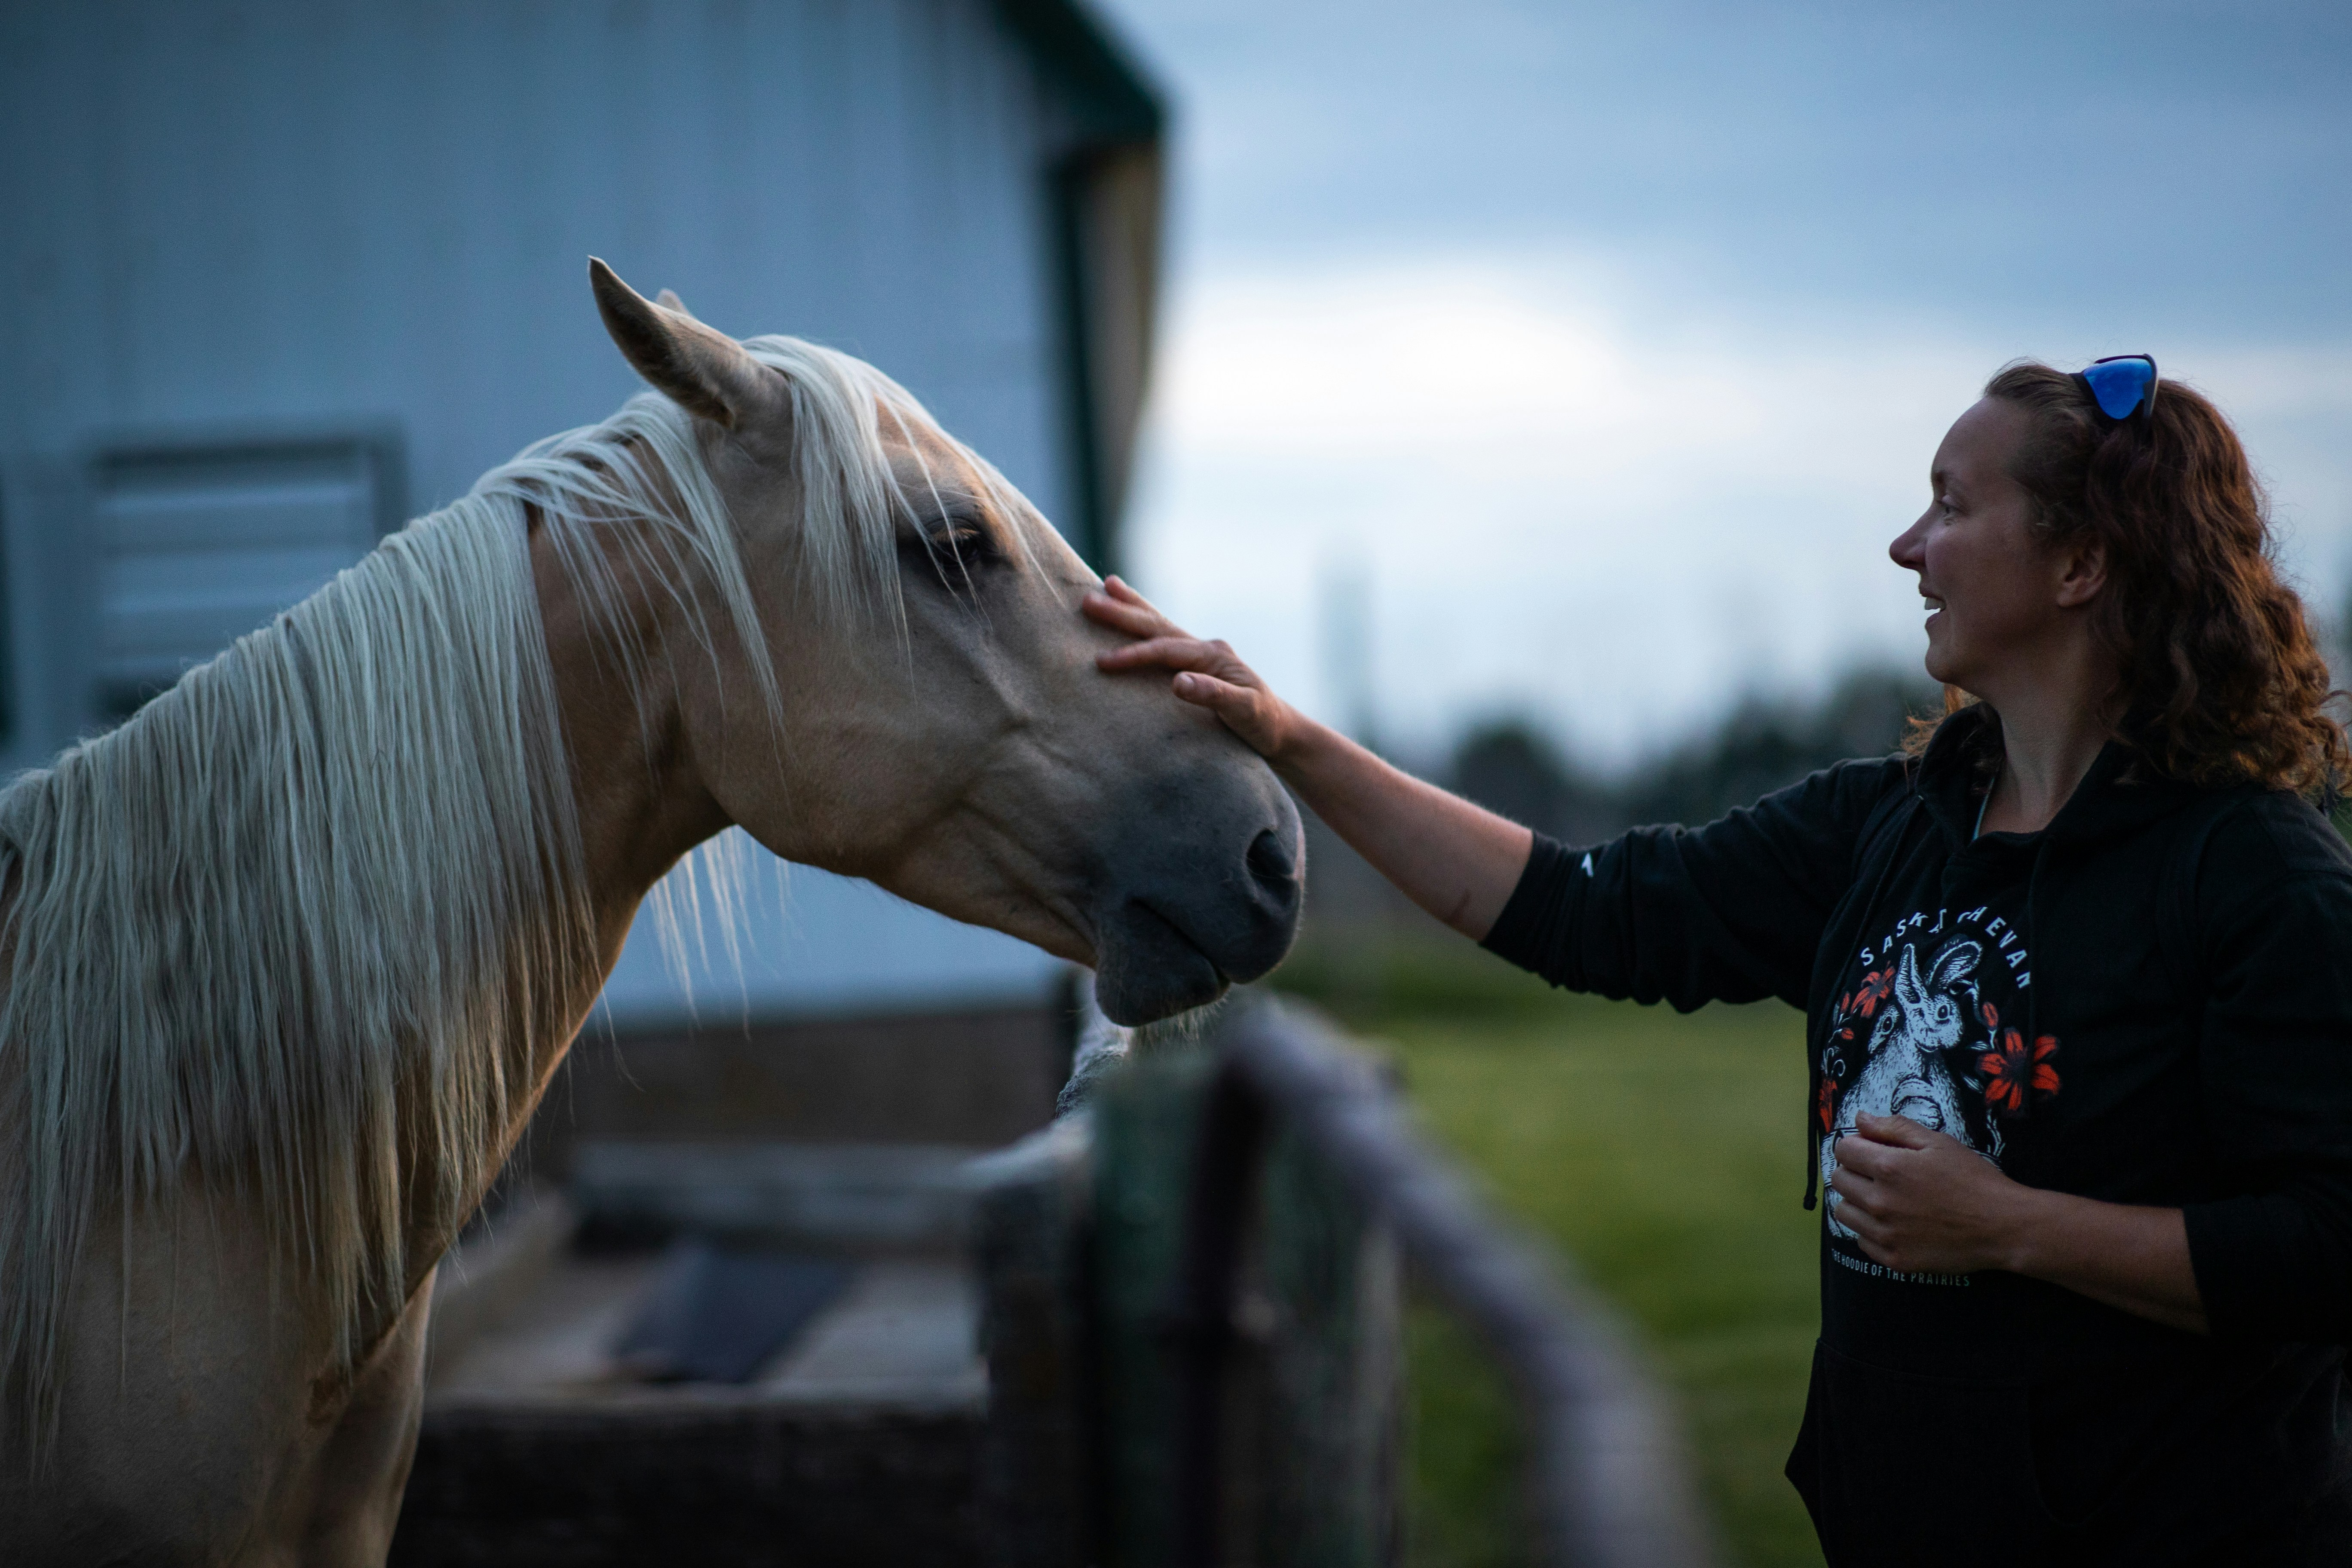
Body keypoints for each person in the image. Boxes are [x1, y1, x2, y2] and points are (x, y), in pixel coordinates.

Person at [1084, 357, 2352, 1565]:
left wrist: (2011, 1229)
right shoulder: (1889, 825)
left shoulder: (2254, 877)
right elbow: (1589, 911)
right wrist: (1291, 737)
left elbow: (2325, 1246)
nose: (1907, 547)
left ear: (2081, 562)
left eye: (1953, 507)